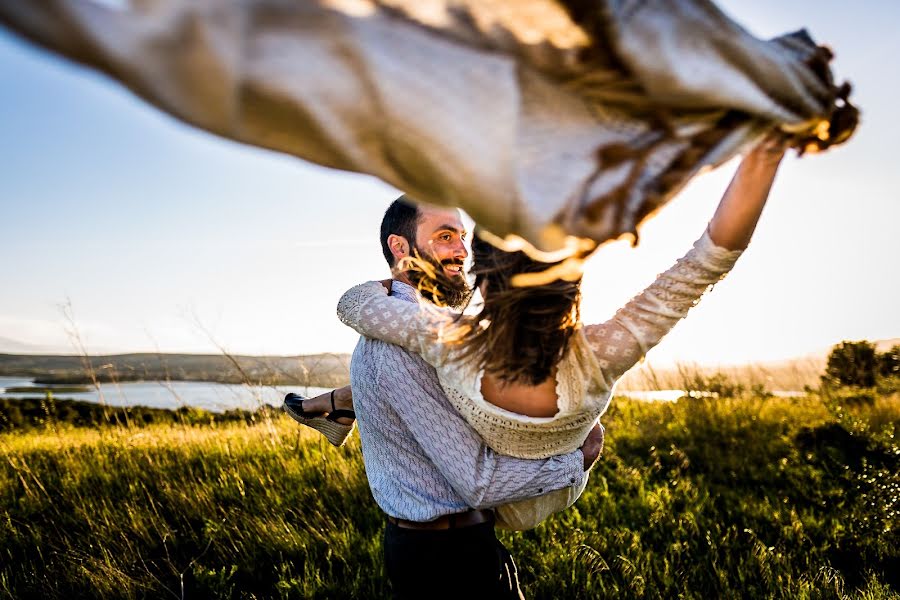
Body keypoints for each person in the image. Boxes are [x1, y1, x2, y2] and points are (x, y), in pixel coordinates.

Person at [330, 135, 789, 530]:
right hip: (497, 516)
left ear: (484, 280)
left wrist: (382, 287)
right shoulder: (606, 350)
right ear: (575, 277)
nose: (459, 250)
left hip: (486, 522)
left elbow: (356, 306)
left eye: (467, 242)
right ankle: (329, 405)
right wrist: (767, 152)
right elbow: (708, 261)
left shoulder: (450, 342)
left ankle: (327, 405)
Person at [289, 197, 606, 600]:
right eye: (443, 236)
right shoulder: (401, 347)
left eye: (461, 236)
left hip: (451, 547)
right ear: (400, 248)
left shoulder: (420, 331)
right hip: (448, 562)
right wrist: (579, 458)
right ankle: (336, 404)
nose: (460, 250)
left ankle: (337, 404)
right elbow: (479, 482)